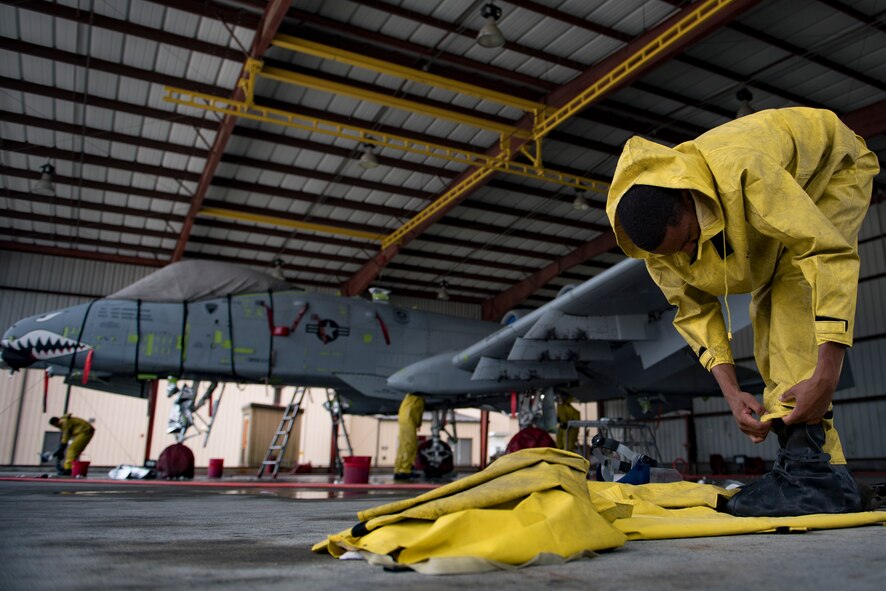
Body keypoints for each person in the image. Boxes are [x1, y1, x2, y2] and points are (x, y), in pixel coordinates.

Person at [606, 107, 879, 516]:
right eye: (674, 253)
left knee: (791, 296)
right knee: (765, 312)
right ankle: (825, 473)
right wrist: (732, 396)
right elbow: (695, 313)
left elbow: (826, 252)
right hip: (768, 200)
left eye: (689, 241)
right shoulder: (654, 249)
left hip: (833, 168)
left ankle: (812, 474)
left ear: (689, 197)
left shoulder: (744, 171)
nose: (687, 255)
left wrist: (827, 373)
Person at [393, 393, 425, 481]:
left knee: (403, 445)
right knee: (410, 445)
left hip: (404, 419)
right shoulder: (418, 398)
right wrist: (418, 424)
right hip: (409, 420)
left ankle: (399, 469)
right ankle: (405, 470)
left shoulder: (408, 397)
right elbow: (418, 411)